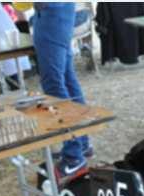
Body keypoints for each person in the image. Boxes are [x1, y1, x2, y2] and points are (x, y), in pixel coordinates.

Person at [31, 1, 92, 177]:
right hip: (58, 11)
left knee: (54, 84)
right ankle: (81, 142)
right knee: (66, 79)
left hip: (51, 11)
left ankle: (74, 154)